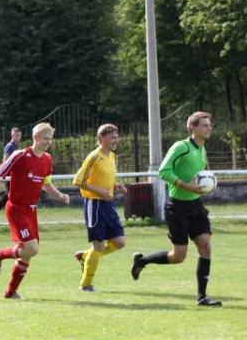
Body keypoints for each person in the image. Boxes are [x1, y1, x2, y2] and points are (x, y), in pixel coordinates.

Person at [131, 112, 222, 306]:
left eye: (209, 125)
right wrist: (187, 186)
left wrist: (205, 184)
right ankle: (142, 261)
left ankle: (202, 297)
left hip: (195, 205)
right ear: (193, 128)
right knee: (178, 256)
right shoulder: (181, 147)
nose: (208, 128)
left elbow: (197, 175)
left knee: (205, 244)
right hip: (177, 207)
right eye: (204, 125)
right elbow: (163, 171)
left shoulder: (202, 149)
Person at [0, 123, 70, 299]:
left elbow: (46, 184)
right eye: (45, 138)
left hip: (31, 211)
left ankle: (10, 292)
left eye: (50, 139)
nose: (48, 142)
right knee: (32, 248)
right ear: (35, 138)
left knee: (26, 254)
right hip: (16, 208)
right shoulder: (20, 155)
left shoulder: (47, 159)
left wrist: (60, 195)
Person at [72, 124, 127, 292]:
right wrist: (100, 192)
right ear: (102, 138)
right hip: (94, 205)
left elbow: (103, 178)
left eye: (117, 136)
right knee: (99, 247)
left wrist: (115, 185)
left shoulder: (111, 156)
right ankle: (85, 284)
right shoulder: (94, 156)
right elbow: (78, 181)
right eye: (112, 136)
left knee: (119, 242)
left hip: (108, 204)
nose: (115, 140)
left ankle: (85, 256)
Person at [0, 127, 22, 224]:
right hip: (9, 175)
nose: (18, 137)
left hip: (12, 175)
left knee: (12, 195)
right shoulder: (10, 146)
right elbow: (5, 160)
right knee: (11, 195)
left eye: (19, 135)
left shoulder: (14, 146)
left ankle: (11, 214)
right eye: (16, 135)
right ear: (12, 135)